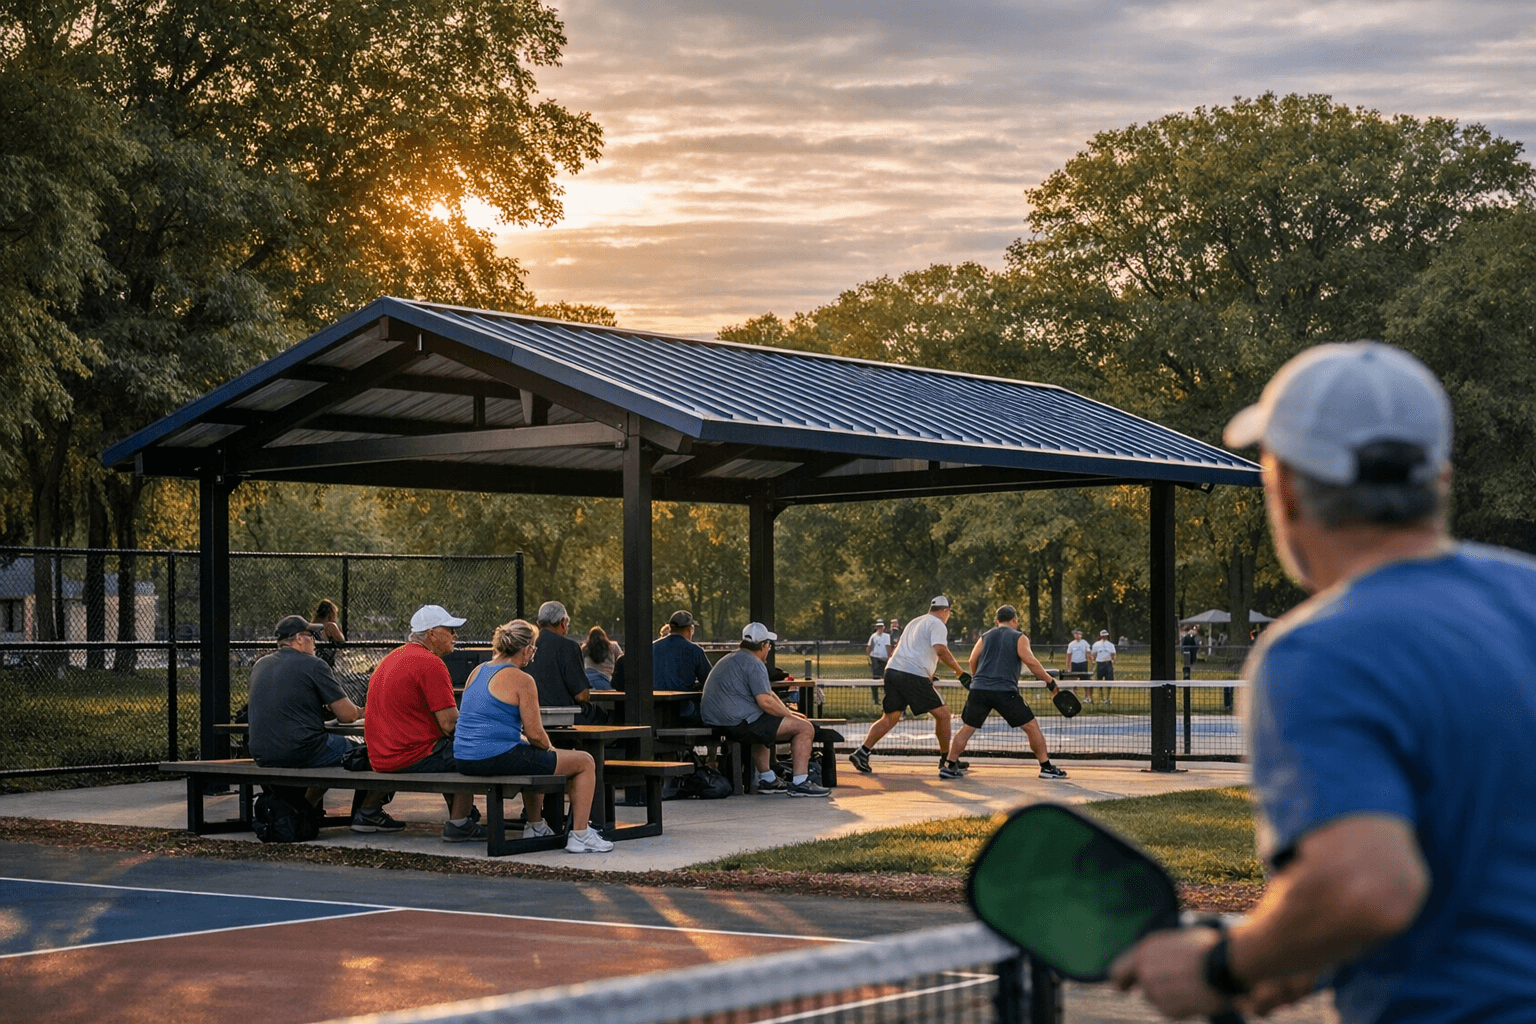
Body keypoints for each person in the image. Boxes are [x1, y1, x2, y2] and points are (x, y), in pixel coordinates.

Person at [1109, 341, 1536, 1022]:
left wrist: (1222, 964)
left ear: (1283, 488)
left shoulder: (1319, 651)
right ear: (1441, 479)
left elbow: (1366, 887)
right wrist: (1305, 952)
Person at [454, 619, 612, 853]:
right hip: (495, 756)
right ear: (527, 649)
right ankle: (580, 835)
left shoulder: (477, 671)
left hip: (464, 757)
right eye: (533, 649)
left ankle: (536, 824)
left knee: (532, 754)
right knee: (585, 761)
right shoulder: (523, 679)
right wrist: (553, 751)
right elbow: (536, 733)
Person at [362, 604, 485, 842]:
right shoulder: (431, 663)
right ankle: (460, 823)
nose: (454, 636)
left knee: (441, 748)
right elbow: (450, 724)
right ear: (431, 633)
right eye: (449, 630)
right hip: (407, 755)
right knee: (467, 748)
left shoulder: (391, 658)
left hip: (380, 754)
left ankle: (367, 811)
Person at [246, 615, 390, 818]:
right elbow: (347, 715)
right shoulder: (313, 664)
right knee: (372, 753)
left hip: (262, 751)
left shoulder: (260, 665)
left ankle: (305, 810)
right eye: (311, 636)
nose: (315, 642)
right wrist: (364, 710)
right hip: (302, 749)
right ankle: (368, 813)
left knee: (328, 750)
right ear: (298, 639)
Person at [701, 622, 830, 797]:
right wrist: (794, 720)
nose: (769, 648)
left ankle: (768, 779)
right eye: (769, 644)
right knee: (805, 728)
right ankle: (800, 783)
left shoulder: (731, 658)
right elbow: (765, 702)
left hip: (717, 721)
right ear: (763, 645)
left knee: (765, 722)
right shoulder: (754, 663)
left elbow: (768, 693)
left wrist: (790, 714)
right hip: (737, 723)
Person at [941, 605, 1068, 780]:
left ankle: (949, 765)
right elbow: (1031, 662)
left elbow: (972, 659)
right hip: (1004, 691)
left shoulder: (985, 636)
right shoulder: (1019, 637)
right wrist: (1050, 682)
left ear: (996, 621)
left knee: (967, 728)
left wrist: (977, 678)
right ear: (1015, 620)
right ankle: (1046, 767)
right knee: (1031, 727)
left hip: (978, 690)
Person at [847, 596, 967, 775]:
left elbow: (911, 650)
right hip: (912, 674)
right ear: (945, 611)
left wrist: (929, 676)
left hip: (893, 671)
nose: (948, 616)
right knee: (943, 715)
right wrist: (960, 672)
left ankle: (862, 752)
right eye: (949, 613)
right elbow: (940, 649)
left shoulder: (915, 622)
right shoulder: (938, 624)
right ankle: (947, 761)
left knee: (891, 717)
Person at [526, 601, 591, 712]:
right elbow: (581, 695)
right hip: (562, 716)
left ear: (539, 623)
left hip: (528, 716)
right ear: (562, 623)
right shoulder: (569, 647)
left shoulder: (525, 646)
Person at [654, 609, 713, 723]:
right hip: (683, 709)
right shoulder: (695, 650)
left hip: (653, 707)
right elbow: (709, 680)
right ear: (690, 629)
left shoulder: (652, 648)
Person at [582, 625, 623, 691]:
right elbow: (621, 660)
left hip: (587, 681)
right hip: (605, 681)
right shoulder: (613, 646)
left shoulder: (585, 648)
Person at [311, 599, 345, 668]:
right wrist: (338, 628)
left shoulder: (309, 626)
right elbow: (342, 641)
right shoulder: (330, 626)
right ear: (331, 613)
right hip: (323, 666)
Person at [865, 620, 891, 703]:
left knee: (885, 678)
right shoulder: (873, 636)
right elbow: (869, 646)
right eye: (878, 627)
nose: (879, 628)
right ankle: (876, 699)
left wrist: (889, 657)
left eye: (881, 627)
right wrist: (868, 656)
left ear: (883, 628)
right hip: (875, 658)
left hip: (884, 659)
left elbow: (888, 647)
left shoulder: (887, 636)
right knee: (875, 678)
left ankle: (886, 697)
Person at [1065, 628, 1092, 702]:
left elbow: (1088, 654)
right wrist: (1068, 667)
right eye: (1075, 634)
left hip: (1083, 663)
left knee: (1085, 681)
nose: (1076, 635)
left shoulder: (1085, 643)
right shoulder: (1071, 644)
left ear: (1081, 635)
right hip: (1074, 664)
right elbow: (1068, 656)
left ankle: (1088, 697)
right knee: (1074, 682)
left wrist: (1090, 663)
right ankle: (1073, 697)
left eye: (1078, 634)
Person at [1090, 629, 1116, 705]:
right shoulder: (1096, 644)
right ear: (1100, 636)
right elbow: (1093, 654)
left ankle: (1107, 698)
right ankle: (1101, 698)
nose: (1104, 637)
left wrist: (1112, 661)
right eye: (1103, 635)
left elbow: (1113, 654)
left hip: (1108, 664)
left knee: (1109, 681)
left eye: (1105, 636)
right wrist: (1094, 661)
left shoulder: (1110, 645)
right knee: (1099, 681)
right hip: (1099, 664)